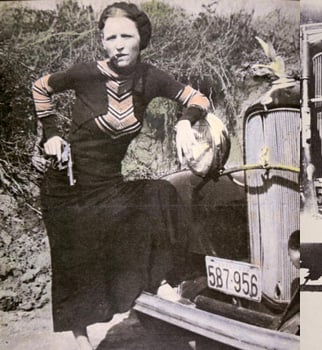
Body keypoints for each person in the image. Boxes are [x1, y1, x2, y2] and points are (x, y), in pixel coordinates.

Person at [31, 3, 210, 349]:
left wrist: (185, 119)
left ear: (141, 39)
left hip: (109, 185)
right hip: (68, 185)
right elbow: (40, 88)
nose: (118, 44)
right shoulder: (85, 73)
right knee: (76, 260)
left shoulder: (150, 77)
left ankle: (166, 285)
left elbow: (197, 97)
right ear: (102, 43)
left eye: (126, 36)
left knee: (160, 193)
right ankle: (81, 340)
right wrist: (51, 132)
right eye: (110, 37)